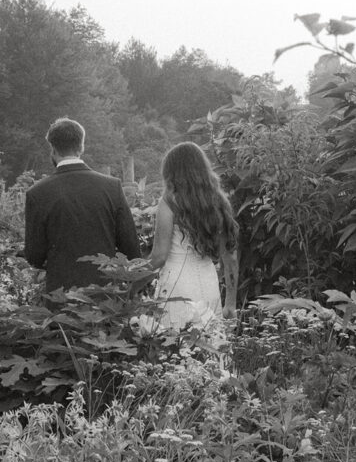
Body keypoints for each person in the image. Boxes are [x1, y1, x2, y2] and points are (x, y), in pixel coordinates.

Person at [24, 117, 141, 292]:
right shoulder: (111, 187)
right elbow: (131, 248)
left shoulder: (37, 193)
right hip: (105, 294)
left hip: (61, 293)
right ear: (81, 147)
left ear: (53, 148)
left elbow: (34, 256)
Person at [148, 142, 239, 330]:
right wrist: (230, 302)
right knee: (211, 347)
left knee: (176, 349)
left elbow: (159, 257)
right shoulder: (218, 202)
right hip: (208, 282)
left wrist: (132, 279)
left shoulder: (168, 203)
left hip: (176, 287)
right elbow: (230, 257)